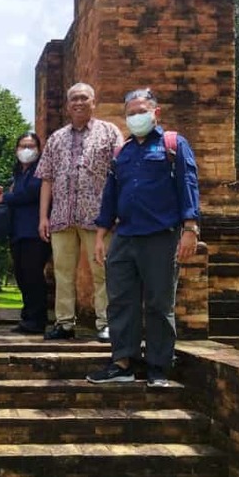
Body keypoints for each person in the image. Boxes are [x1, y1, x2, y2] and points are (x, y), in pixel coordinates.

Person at [88, 88, 200, 387]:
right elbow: (109, 197)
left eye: (141, 111)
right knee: (120, 300)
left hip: (160, 234)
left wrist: (190, 228)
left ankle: (158, 367)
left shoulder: (172, 145)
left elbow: (188, 185)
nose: (136, 117)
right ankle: (122, 362)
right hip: (125, 234)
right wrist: (100, 236)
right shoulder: (121, 152)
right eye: (131, 113)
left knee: (159, 302)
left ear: (155, 112)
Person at [36, 82, 120, 342]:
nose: (79, 102)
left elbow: (121, 174)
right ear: (67, 105)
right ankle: (64, 323)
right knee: (62, 272)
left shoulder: (109, 133)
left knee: (102, 272)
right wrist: (43, 217)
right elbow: (46, 178)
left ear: (94, 102)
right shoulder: (56, 138)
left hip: (98, 218)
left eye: (84, 98)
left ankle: (106, 322)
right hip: (62, 216)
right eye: (74, 99)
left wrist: (116, 211)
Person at [0, 132, 51, 335]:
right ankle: (28, 317)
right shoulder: (18, 174)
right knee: (22, 276)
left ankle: (37, 320)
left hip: (35, 232)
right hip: (17, 232)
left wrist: (6, 198)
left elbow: (31, 193)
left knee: (33, 275)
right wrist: (3, 197)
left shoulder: (40, 171)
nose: (27, 150)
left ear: (38, 149)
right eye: (22, 146)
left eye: (31, 146)